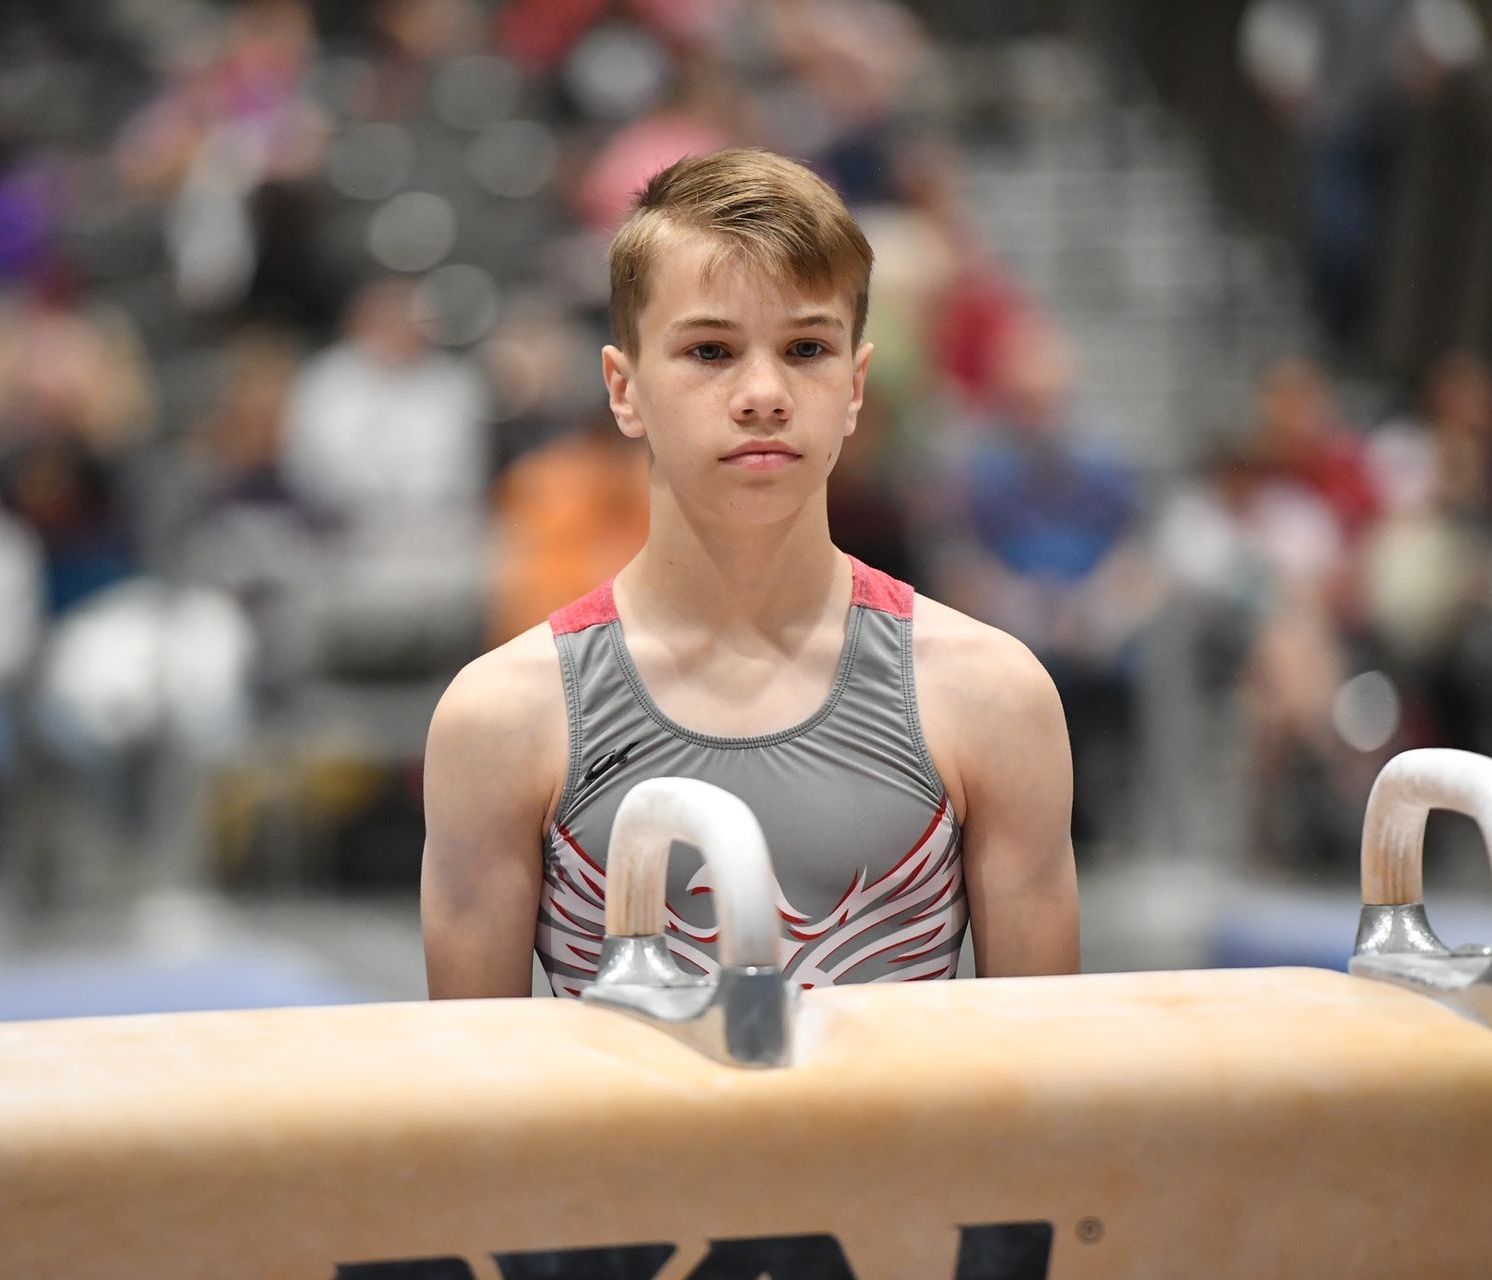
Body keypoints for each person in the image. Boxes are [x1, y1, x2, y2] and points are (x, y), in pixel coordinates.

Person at [420, 149, 1079, 998]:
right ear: (624, 389)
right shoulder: (502, 721)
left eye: (806, 347)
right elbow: (484, 1110)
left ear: (855, 385)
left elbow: (1043, 1094)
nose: (763, 393)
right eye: (710, 352)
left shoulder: (994, 699)